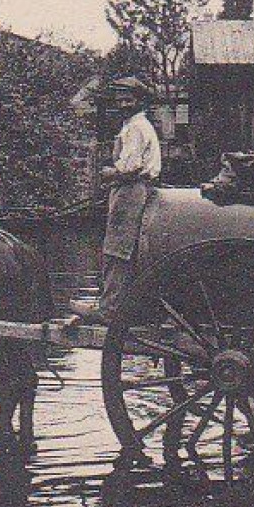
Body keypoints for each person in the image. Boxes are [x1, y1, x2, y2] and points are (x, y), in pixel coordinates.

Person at [96, 77, 161, 324]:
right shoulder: (132, 125)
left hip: (130, 189)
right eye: (120, 99)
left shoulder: (136, 127)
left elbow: (131, 167)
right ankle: (119, 302)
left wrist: (109, 173)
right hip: (129, 188)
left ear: (140, 101)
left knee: (117, 249)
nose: (123, 104)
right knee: (122, 248)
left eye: (128, 99)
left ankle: (110, 308)